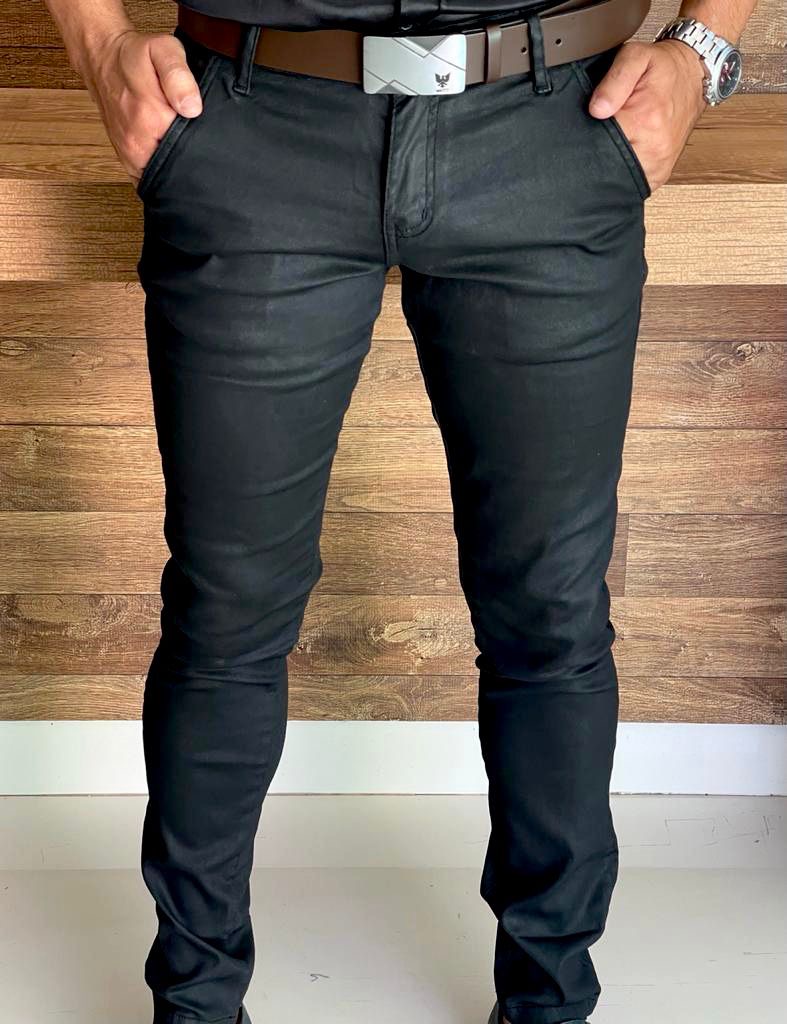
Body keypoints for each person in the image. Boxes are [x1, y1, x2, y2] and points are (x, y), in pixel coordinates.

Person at [42, 1, 752, 1022]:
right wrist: (97, 41)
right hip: (254, 121)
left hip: (551, 125)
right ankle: (194, 1004)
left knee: (548, 612)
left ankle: (549, 1004)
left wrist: (700, 50)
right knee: (227, 610)